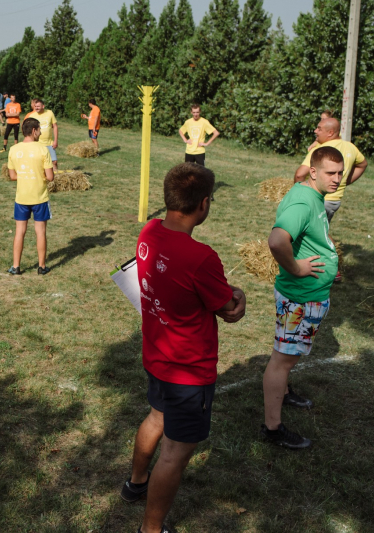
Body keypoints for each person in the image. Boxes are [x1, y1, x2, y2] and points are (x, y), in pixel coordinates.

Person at [122, 163, 246, 533]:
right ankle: (151, 529)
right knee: (175, 453)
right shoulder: (202, 257)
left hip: (157, 357)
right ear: (203, 204)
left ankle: (136, 483)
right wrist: (239, 294)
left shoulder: (149, 230)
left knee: (156, 417)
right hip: (189, 370)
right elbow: (229, 310)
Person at [262, 146, 343, 450]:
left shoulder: (313, 195)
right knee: (282, 359)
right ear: (313, 171)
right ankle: (272, 428)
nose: (336, 179)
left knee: (290, 354)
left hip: (310, 296)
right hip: (300, 298)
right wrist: (296, 268)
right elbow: (277, 240)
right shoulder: (302, 199)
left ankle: (283, 392)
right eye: (330, 173)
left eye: (339, 173)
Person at [294, 117, 367, 282]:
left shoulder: (323, 150)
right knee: (318, 231)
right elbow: (363, 164)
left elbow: (300, 173)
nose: (315, 131)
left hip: (321, 199)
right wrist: (344, 181)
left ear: (330, 132)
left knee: (317, 234)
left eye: (319, 128)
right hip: (335, 200)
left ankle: (332, 268)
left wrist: (297, 196)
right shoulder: (350, 147)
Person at [6, 117, 54, 275]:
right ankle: (41, 266)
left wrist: (25, 174)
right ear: (34, 131)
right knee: (40, 231)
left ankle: (16, 266)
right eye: (39, 129)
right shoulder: (42, 149)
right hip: (40, 197)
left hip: (22, 197)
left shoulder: (13, 149)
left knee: (20, 231)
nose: (40, 132)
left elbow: (12, 176)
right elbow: (50, 177)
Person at [26, 98, 58, 169]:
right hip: (37, 144)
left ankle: (56, 178)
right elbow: (28, 130)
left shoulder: (49, 113)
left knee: (54, 162)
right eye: (35, 106)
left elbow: (55, 126)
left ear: (43, 106)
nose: (36, 108)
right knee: (40, 163)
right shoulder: (32, 116)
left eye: (38, 106)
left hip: (49, 143)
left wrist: (55, 140)